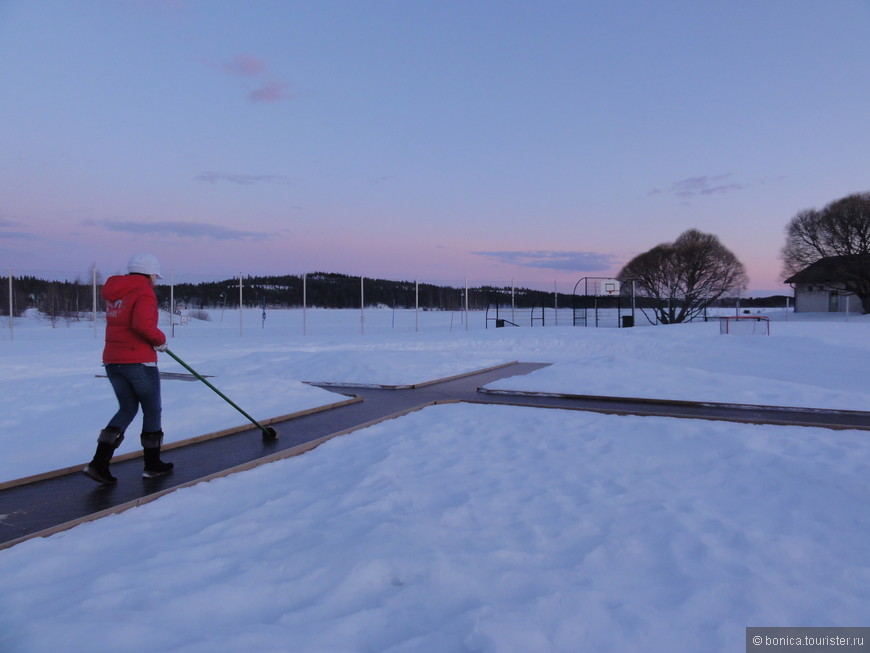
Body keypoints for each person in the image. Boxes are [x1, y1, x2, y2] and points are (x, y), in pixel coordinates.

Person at [83, 253, 174, 485]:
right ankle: (152, 466)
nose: (155, 280)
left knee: (127, 408)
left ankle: (98, 464)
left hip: (113, 361)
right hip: (139, 360)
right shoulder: (144, 290)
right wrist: (160, 340)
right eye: (155, 276)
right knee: (152, 410)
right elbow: (141, 324)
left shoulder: (116, 291)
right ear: (149, 274)